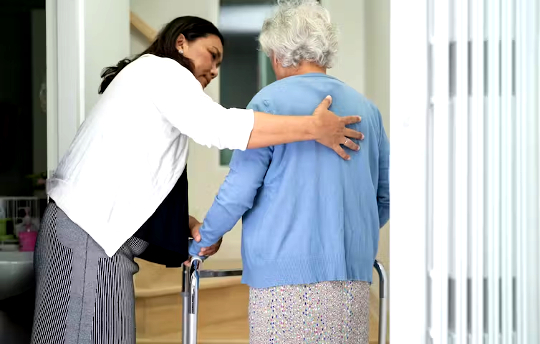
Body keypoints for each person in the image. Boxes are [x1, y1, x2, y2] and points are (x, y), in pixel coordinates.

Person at [30, 16, 364, 344]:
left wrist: (188, 225)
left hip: (88, 231)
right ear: (181, 43)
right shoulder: (162, 71)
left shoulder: (149, 80)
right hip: (90, 233)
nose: (215, 70)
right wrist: (312, 127)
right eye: (212, 55)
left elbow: (140, 175)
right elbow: (221, 128)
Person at [188, 2, 390, 343]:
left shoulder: (268, 104)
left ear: (279, 53)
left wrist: (204, 240)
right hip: (354, 278)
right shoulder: (367, 110)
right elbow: (384, 197)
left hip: (284, 281)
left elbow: (238, 190)